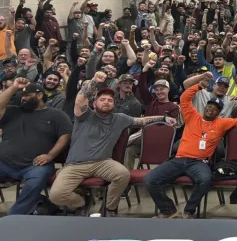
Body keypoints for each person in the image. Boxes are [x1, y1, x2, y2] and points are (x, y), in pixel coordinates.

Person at [49, 71, 175, 217]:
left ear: (114, 104)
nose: (106, 102)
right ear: (94, 103)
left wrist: (164, 118)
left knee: (122, 174)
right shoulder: (84, 115)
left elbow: (142, 121)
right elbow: (80, 100)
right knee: (56, 196)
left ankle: (109, 208)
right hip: (75, 164)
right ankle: (83, 202)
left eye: (110, 100)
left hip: (103, 163)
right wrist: (94, 81)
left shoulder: (119, 118)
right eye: (102, 99)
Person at [145, 72, 237, 219]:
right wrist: (198, 86)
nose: (211, 109)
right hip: (179, 159)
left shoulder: (221, 123)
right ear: (205, 107)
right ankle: (168, 209)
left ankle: (189, 211)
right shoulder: (193, 116)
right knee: (150, 180)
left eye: (215, 108)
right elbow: (184, 98)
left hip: (199, 162)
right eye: (209, 106)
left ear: (219, 112)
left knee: (205, 180)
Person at [0, 78, 72, 215]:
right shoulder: (12, 112)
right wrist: (14, 87)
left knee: (35, 182)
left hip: (35, 165)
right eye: (22, 96)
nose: (23, 98)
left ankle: (15, 217)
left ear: (39, 95)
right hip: (4, 162)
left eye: (27, 95)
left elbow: (66, 135)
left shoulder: (56, 115)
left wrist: (50, 155)